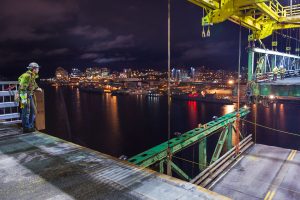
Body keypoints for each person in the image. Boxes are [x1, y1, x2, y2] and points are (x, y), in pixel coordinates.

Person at [18, 62, 42, 133]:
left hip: (29, 95)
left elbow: (33, 85)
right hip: (25, 96)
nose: (38, 70)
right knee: (26, 112)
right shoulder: (27, 76)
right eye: (37, 68)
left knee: (33, 111)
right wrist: (24, 99)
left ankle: (30, 126)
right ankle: (26, 128)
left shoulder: (32, 76)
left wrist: (37, 88)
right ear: (34, 69)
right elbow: (22, 87)